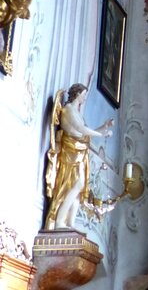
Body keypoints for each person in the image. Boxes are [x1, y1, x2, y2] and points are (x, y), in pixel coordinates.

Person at [44, 84, 114, 230]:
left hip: (78, 151)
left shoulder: (76, 112)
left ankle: (69, 222)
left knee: (79, 186)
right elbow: (81, 129)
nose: (84, 97)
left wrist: (103, 126)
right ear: (77, 94)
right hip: (71, 152)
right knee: (73, 184)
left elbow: (85, 132)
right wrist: (102, 134)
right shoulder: (68, 110)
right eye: (83, 94)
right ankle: (59, 221)